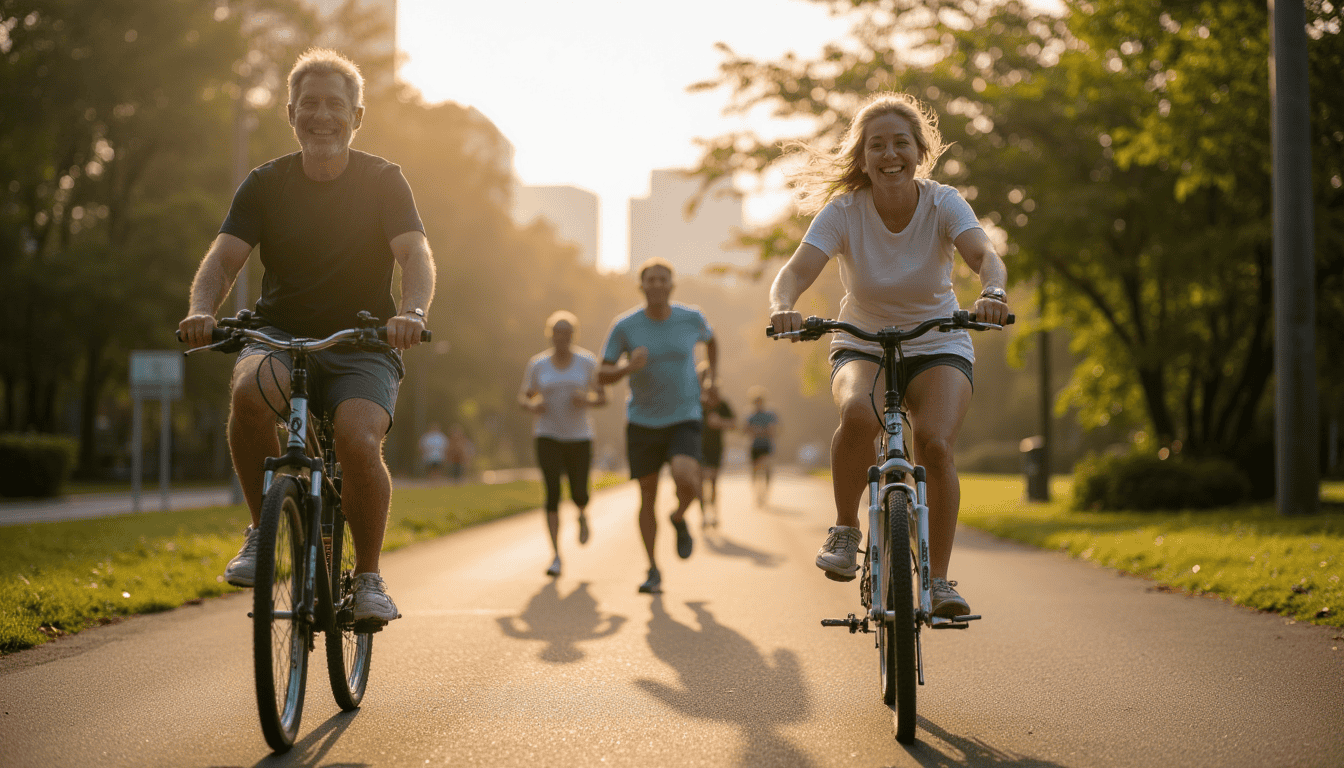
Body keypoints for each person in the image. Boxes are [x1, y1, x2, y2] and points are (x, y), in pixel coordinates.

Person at [178, 49, 435, 625]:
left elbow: (414, 253)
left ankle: (368, 579)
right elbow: (224, 261)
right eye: (310, 104)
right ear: (291, 113)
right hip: (278, 334)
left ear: (357, 115)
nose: (322, 116)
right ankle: (260, 529)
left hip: (362, 340)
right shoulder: (265, 184)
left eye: (335, 105)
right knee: (247, 394)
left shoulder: (383, 180)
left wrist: (412, 312)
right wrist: (201, 309)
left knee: (356, 439)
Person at [767, 92, 1009, 618]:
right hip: (862, 340)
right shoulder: (843, 212)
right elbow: (796, 270)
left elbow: (983, 255)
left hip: (938, 339)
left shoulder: (944, 203)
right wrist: (783, 305)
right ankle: (845, 528)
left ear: (919, 151)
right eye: (877, 145)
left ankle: (940, 581)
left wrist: (991, 293)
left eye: (901, 142)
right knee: (858, 414)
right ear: (862, 156)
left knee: (936, 445)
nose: (890, 154)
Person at [599, 257, 718, 594]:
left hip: (684, 415)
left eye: (662, 279)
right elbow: (601, 374)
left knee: (687, 477)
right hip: (642, 421)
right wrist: (626, 368)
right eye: (649, 280)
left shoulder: (690, 318)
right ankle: (652, 568)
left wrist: (712, 380)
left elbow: (712, 341)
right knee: (647, 495)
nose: (656, 285)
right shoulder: (625, 326)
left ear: (671, 285)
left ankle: (679, 516)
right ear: (642, 287)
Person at [519, 310, 607, 577]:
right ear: (551, 335)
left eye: (567, 333)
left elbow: (603, 397)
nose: (561, 338)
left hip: (579, 436)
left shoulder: (586, 362)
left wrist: (587, 400)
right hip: (547, 434)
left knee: (579, 492)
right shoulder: (538, 364)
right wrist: (534, 405)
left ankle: (582, 514)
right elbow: (523, 397)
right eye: (557, 332)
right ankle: (556, 555)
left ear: (573, 336)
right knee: (552, 492)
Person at [697, 361, 734, 528]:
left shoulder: (722, 404)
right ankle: (703, 515)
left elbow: (734, 424)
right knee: (700, 482)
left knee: (712, 482)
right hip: (697, 448)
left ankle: (714, 514)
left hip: (715, 448)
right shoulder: (696, 403)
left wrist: (720, 423)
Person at [744, 386, 779, 507]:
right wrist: (761, 430)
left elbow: (773, 431)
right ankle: (757, 493)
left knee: (767, 469)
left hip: (766, 446)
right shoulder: (750, 415)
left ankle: (765, 493)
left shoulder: (770, 414)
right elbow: (745, 430)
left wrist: (758, 431)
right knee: (754, 471)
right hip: (755, 446)